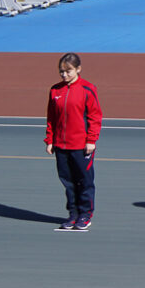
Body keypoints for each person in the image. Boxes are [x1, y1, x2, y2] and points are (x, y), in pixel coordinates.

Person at [44, 52, 101, 231]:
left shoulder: (88, 89)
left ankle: (86, 214)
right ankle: (73, 214)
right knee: (68, 182)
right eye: (61, 71)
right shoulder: (55, 90)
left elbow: (95, 117)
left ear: (78, 69)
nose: (64, 75)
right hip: (61, 145)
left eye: (68, 71)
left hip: (81, 146)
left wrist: (91, 140)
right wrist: (50, 140)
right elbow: (51, 118)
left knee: (84, 181)